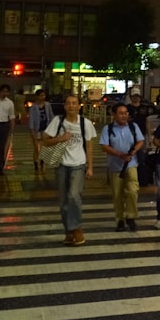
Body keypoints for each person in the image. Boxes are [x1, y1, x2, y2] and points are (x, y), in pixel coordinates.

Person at [41, 94, 95, 246]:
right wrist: (60, 138)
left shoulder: (86, 123)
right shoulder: (57, 122)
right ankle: (69, 232)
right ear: (64, 106)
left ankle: (77, 228)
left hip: (79, 164)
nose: (71, 106)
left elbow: (89, 146)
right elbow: (45, 139)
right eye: (68, 103)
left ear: (79, 106)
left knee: (73, 196)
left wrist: (90, 167)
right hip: (61, 164)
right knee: (63, 201)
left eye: (74, 103)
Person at [99, 103, 145, 232]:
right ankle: (120, 220)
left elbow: (140, 141)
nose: (124, 116)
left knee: (133, 190)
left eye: (126, 113)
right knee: (117, 195)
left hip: (131, 164)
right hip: (115, 166)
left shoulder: (132, 126)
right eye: (121, 113)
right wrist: (119, 154)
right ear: (113, 115)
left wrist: (134, 151)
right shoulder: (108, 129)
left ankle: (130, 216)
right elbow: (104, 146)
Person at [28, 88, 56, 172]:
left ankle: (42, 162)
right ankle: (36, 162)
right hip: (37, 129)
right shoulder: (33, 107)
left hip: (45, 129)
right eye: (40, 95)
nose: (42, 97)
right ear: (37, 96)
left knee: (44, 147)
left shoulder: (47, 105)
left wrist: (53, 128)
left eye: (43, 95)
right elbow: (31, 119)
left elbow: (51, 116)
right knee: (36, 148)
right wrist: (32, 131)